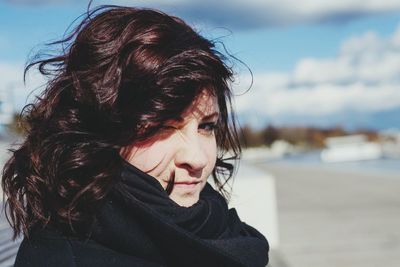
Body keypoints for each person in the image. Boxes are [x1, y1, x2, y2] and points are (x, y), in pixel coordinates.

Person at [2, 5, 269, 267]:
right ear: (100, 131)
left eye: (206, 127)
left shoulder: (216, 225)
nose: (197, 159)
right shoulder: (65, 257)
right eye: (161, 127)